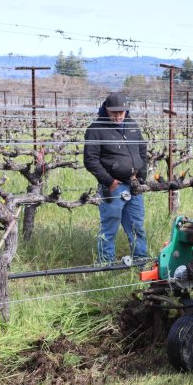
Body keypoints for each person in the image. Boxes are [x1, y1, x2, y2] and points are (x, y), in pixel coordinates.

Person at [83, 92, 148, 263]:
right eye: (114, 112)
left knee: (137, 226)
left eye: (122, 112)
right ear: (106, 110)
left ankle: (141, 260)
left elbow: (142, 150)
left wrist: (141, 176)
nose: (118, 116)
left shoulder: (132, 125)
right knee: (109, 226)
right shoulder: (95, 130)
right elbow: (90, 160)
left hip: (134, 186)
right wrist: (109, 181)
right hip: (113, 186)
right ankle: (106, 263)